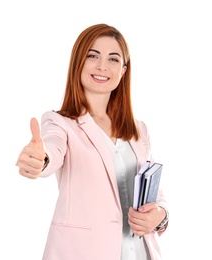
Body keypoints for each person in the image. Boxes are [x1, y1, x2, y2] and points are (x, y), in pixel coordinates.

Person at [16, 23, 169, 260]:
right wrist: (40, 159)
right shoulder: (60, 123)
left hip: (141, 254)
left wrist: (160, 215)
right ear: (79, 62)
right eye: (93, 56)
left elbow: (154, 193)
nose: (102, 66)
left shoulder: (138, 130)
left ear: (123, 70)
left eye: (113, 59)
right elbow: (52, 150)